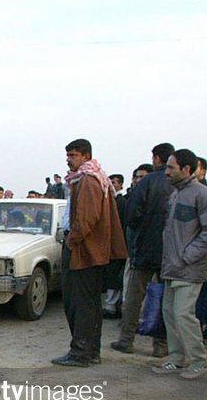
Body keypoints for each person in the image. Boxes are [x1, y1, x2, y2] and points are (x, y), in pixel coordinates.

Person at [52, 139, 126, 367]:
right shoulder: (88, 179)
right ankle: (89, 350)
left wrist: (71, 241)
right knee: (89, 304)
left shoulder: (88, 181)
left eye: (73, 155)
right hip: (87, 251)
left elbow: (85, 220)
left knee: (80, 303)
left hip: (84, 253)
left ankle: (81, 352)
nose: (68, 159)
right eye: (68, 155)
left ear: (85, 156)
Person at [152, 149, 207, 379]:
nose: (167, 172)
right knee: (170, 313)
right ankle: (176, 359)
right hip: (171, 268)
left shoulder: (203, 195)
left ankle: (199, 361)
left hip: (189, 269)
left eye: (171, 167)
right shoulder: (175, 194)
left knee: (184, 315)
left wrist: (187, 256)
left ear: (187, 169)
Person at [111, 143, 174, 357]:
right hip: (170, 252)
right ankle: (160, 346)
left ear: (156, 158)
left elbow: (132, 216)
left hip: (144, 249)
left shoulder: (146, 182)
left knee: (134, 298)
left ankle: (126, 340)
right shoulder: (177, 184)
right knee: (166, 299)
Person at [102, 174, 127, 319]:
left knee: (115, 277)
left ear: (120, 185)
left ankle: (112, 306)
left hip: (117, 245)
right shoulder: (111, 200)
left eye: (113, 182)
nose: (111, 185)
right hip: (111, 245)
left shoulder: (121, 202)